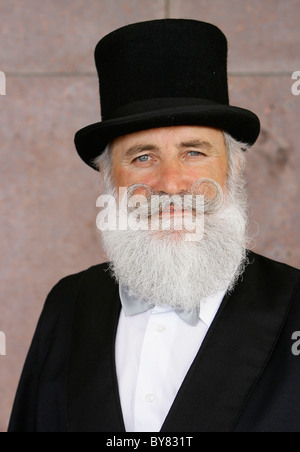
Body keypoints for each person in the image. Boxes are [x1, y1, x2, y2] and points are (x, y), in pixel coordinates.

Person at [9, 19, 300, 433]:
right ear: (111, 180)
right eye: (142, 157)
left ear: (234, 167)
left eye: (194, 152)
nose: (170, 184)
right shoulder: (67, 305)